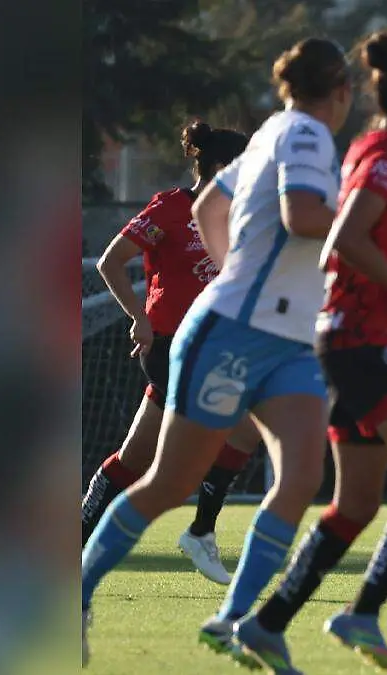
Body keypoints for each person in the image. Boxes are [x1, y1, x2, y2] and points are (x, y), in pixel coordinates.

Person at [80, 37, 354, 667]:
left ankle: (239, 622)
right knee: (165, 480)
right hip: (234, 332)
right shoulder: (308, 137)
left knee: (300, 475)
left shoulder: (272, 137)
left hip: (283, 340)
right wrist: (363, 229)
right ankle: (77, 590)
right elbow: (303, 213)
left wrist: (236, 263)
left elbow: (207, 205)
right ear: (339, 92)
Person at [232, 31, 387, 673]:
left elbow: (363, 242)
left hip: (354, 340)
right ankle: (361, 612)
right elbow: (345, 235)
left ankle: (265, 624)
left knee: (358, 503)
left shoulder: (378, 148)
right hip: (362, 344)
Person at [84, 121, 261, 585]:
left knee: (134, 459)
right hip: (168, 347)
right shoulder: (169, 208)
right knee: (244, 428)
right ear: (223, 167)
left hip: (212, 346)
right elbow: (110, 261)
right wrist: (139, 317)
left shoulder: (238, 216)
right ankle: (200, 531)